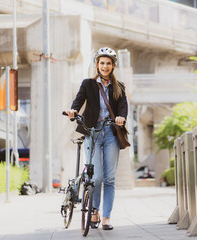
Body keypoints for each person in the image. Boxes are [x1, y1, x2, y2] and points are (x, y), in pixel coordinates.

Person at [64, 47, 128, 230]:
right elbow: (78, 101)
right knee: (97, 176)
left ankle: (106, 217)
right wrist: (72, 111)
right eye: (102, 63)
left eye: (108, 63)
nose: (105, 66)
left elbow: (123, 108)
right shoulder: (88, 84)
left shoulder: (119, 86)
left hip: (111, 133)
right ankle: (94, 211)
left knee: (109, 178)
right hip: (91, 132)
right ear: (97, 65)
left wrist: (121, 118)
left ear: (113, 66)